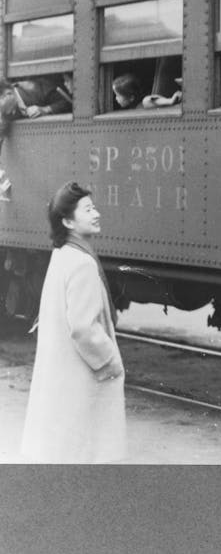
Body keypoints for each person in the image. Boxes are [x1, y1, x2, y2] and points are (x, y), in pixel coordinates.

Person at [21, 182, 126, 463]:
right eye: (88, 209)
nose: (97, 213)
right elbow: (83, 328)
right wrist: (110, 362)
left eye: (95, 207)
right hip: (81, 379)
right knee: (86, 454)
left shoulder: (62, 255)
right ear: (68, 221)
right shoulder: (82, 263)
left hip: (64, 379)